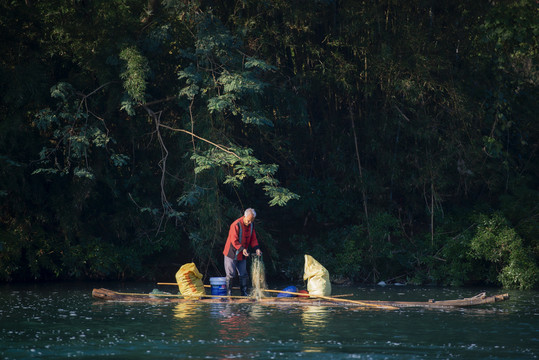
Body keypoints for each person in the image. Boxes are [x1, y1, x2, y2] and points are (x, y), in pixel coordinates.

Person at [222, 208, 262, 297]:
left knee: (243, 274)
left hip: (243, 254)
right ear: (244, 216)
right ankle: (229, 294)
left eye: (252, 221)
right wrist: (242, 249)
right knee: (231, 274)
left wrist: (257, 249)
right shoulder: (236, 225)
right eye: (248, 220)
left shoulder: (251, 225)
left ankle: (244, 293)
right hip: (231, 253)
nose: (250, 223)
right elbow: (234, 240)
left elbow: (253, 239)